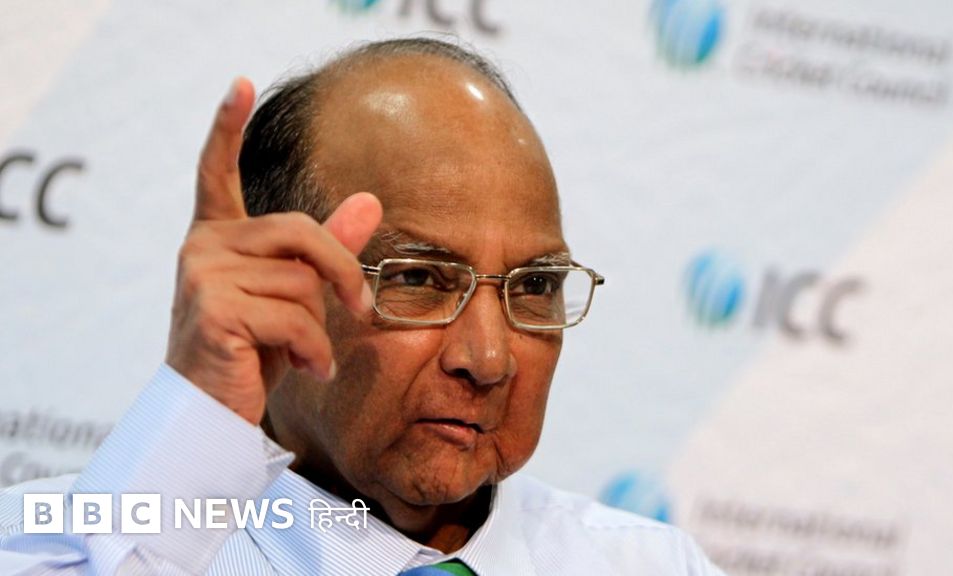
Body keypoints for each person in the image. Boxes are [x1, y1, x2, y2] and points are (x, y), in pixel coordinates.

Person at [0, 38, 723, 575]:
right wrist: (196, 418)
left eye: (533, 287)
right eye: (420, 278)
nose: (488, 358)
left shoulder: (649, 564)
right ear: (269, 281)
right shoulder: (61, 545)